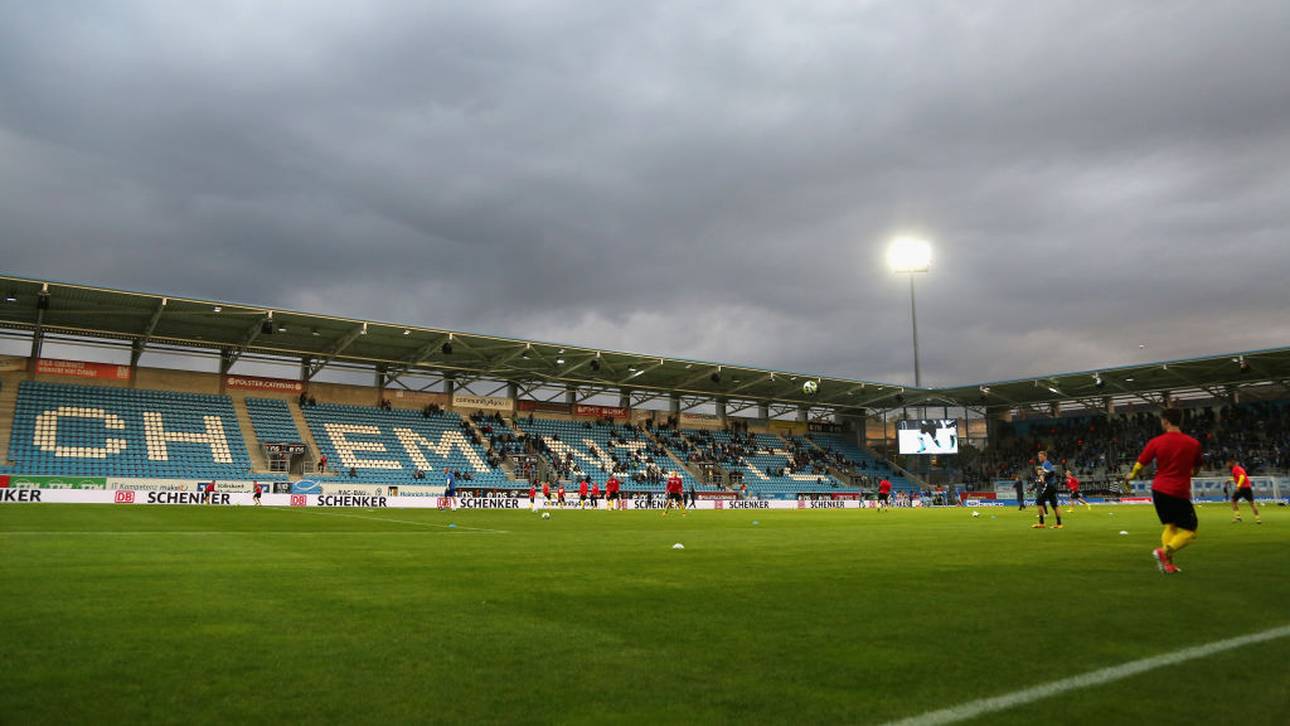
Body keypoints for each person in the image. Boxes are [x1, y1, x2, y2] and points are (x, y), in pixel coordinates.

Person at [1125, 408, 1203, 574]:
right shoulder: (1193, 444)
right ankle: (1164, 552)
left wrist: (1131, 475)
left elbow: (1141, 463)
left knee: (1171, 526)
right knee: (1190, 532)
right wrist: (1187, 472)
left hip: (1159, 490)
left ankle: (1168, 565)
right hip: (1178, 491)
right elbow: (1196, 470)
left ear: (1166, 421)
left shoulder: (1156, 442)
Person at [1031, 451, 1063, 529]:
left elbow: (1052, 472)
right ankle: (1059, 524)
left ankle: (1041, 523)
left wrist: (1044, 478)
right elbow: (1049, 473)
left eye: (1040, 456)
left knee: (1039, 502)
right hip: (1052, 486)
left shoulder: (1046, 463)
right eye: (1039, 456)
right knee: (1054, 505)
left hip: (1049, 485)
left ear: (1045, 456)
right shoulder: (1044, 464)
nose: (1039, 458)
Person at [1226, 458, 1262, 524]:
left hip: (1242, 488)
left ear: (1231, 463)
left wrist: (1238, 486)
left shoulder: (1235, 469)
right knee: (1252, 504)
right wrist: (1230, 480)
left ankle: (1238, 516)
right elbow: (1239, 478)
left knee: (1233, 500)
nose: (1227, 465)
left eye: (1227, 463)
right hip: (1247, 488)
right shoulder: (1239, 468)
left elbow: (1242, 477)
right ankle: (1258, 519)